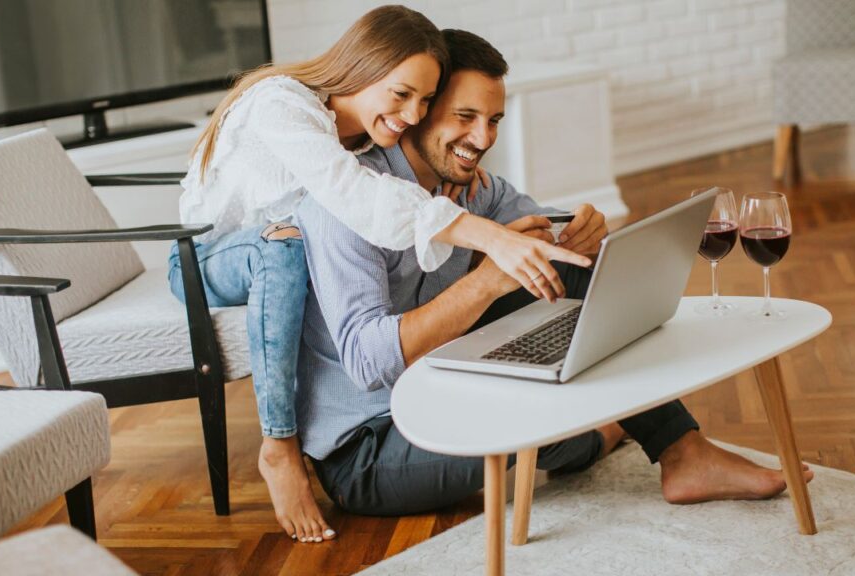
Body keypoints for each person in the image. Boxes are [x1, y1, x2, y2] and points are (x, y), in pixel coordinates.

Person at [293, 29, 814, 516]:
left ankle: (683, 453)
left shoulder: (473, 188)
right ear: (422, 111)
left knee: (571, 274)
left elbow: (555, 240)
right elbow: (367, 362)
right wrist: (488, 278)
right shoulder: (349, 202)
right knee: (543, 421)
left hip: (442, 382)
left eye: (493, 120)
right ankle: (603, 432)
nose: (482, 137)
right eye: (465, 116)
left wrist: (584, 233)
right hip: (371, 444)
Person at [169, 5, 590, 544]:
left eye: (423, 101)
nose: (413, 115)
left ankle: (627, 430)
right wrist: (483, 238)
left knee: (563, 287)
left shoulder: (370, 140)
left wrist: (565, 227)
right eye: (402, 95)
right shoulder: (283, 106)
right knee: (285, 252)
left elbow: (392, 189)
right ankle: (279, 446)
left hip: (295, 253)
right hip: (206, 256)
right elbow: (351, 193)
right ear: (363, 67)